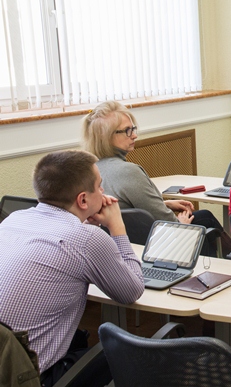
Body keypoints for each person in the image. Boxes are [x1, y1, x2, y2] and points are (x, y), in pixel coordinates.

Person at [0, 150, 144, 386]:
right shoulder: (86, 238)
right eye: (99, 187)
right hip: (30, 376)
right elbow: (131, 291)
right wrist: (117, 227)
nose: (103, 192)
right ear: (83, 200)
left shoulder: (14, 219)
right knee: (119, 354)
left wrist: (80, 220)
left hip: (5, 364)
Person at [82, 101, 230, 255]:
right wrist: (181, 224)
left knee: (204, 216)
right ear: (106, 136)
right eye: (127, 130)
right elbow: (169, 223)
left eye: (133, 128)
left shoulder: (91, 169)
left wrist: (164, 203)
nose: (134, 135)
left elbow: (126, 210)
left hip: (128, 248)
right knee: (203, 223)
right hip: (163, 247)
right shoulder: (129, 171)